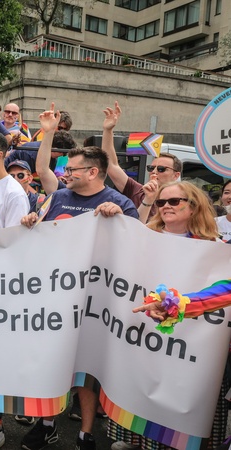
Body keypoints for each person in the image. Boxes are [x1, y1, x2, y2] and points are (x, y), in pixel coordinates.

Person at [18, 105, 139, 450]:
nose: (66, 173)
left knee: (84, 369)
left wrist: (120, 222)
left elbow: (136, 252)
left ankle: (86, 433)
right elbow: (39, 232)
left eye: (72, 169)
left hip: (94, 303)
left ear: (94, 172)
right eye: (66, 169)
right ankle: (46, 423)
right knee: (50, 361)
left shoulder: (119, 203)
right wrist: (31, 222)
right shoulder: (57, 197)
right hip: (54, 296)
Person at [125, 181, 223, 450]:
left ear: (193, 206)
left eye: (174, 201)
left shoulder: (214, 247)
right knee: (142, 386)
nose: (165, 206)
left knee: (176, 392)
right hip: (144, 331)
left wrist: (177, 306)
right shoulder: (146, 236)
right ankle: (139, 442)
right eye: (161, 202)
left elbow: (220, 291)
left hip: (188, 337)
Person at [101, 102, 181, 223]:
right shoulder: (138, 191)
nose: (154, 172)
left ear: (176, 175)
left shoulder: (183, 200)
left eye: (161, 169)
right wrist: (108, 130)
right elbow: (111, 165)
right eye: (151, 168)